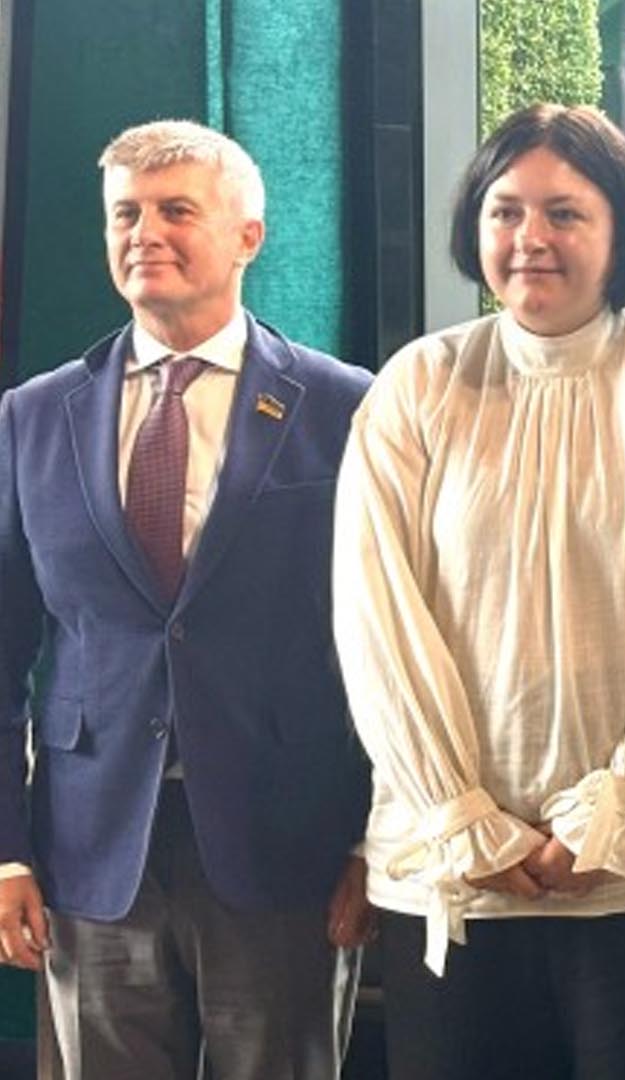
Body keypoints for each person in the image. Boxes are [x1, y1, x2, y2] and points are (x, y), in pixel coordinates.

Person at [331, 103, 625, 1079]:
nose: (531, 237)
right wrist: (464, 816)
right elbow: (378, 624)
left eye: (565, 213)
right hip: (456, 872)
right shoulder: (417, 386)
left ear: (622, 231)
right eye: (506, 211)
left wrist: (619, 805)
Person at [0, 119, 372, 1078]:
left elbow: (392, 646)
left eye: (176, 210)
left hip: (285, 847)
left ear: (248, 236)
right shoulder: (34, 416)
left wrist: (375, 838)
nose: (145, 234)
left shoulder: (346, 407)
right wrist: (6, 852)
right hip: (89, 855)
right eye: (125, 214)